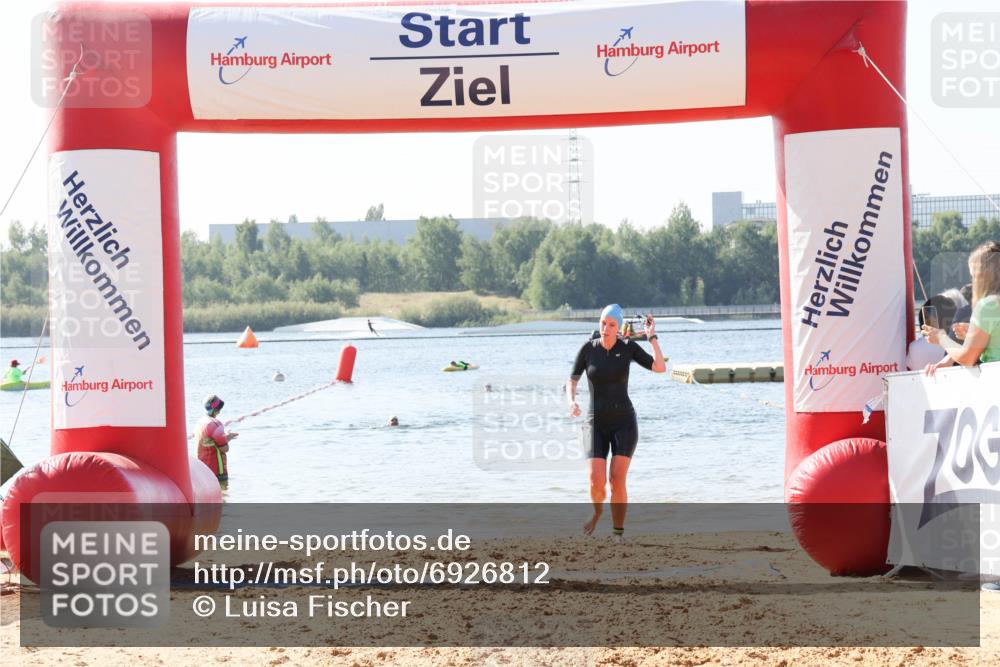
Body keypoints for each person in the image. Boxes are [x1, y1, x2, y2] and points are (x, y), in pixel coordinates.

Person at [567, 304, 666, 542]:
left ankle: (618, 533)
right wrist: (572, 401)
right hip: (594, 423)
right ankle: (597, 512)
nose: (606, 328)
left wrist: (651, 337)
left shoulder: (628, 348)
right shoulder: (588, 349)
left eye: (612, 325)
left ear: (619, 327)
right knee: (596, 481)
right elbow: (572, 380)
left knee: (617, 480)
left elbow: (660, 367)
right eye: (603, 323)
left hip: (624, 423)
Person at [924, 241, 1000, 375]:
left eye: (973, 276)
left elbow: (968, 358)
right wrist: (974, 333)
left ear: (982, 275)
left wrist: (941, 337)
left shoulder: (988, 305)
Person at [194, 394, 238, 483]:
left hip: (203, 471)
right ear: (215, 409)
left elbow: (209, 442)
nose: (219, 412)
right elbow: (225, 448)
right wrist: (226, 439)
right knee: (223, 491)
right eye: (219, 409)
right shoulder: (215, 424)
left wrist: (226, 437)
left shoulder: (200, 423)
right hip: (217, 472)